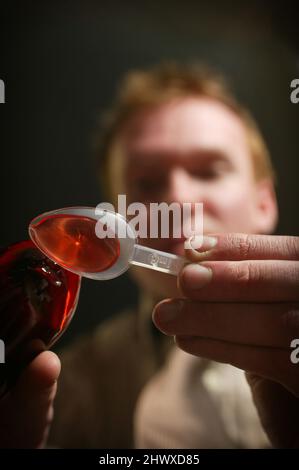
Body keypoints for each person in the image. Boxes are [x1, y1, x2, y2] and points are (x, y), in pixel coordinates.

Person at [1, 62, 298, 448]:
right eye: (147, 182)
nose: (177, 199)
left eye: (208, 171)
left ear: (264, 202)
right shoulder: (59, 392)